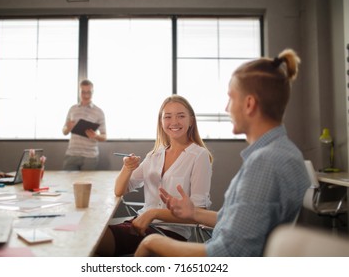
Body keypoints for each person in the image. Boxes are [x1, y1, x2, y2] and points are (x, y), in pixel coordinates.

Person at [135, 49, 311, 257]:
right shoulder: (279, 152)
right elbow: (242, 221)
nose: (227, 108)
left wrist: (153, 242)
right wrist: (194, 213)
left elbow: (229, 253)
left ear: (249, 104)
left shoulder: (265, 163)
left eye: (230, 98)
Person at [96, 95, 213, 256]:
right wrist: (127, 168)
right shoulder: (154, 155)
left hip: (169, 233)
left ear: (191, 121)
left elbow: (198, 213)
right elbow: (119, 191)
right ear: (161, 122)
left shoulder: (199, 156)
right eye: (168, 116)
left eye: (181, 116)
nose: (174, 122)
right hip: (140, 225)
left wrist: (153, 214)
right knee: (93, 239)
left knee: (96, 244)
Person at [62, 79, 106, 170]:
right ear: (79, 92)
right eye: (83, 92)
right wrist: (68, 128)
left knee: (87, 183)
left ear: (93, 92)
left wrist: (95, 136)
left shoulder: (99, 112)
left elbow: (104, 136)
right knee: (67, 182)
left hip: (90, 157)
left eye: (89, 92)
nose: (86, 95)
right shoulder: (72, 109)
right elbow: (64, 131)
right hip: (72, 154)